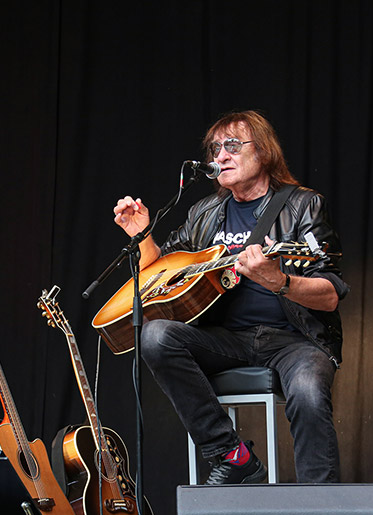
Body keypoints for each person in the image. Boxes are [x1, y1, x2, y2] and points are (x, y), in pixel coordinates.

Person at [112, 110, 347, 485]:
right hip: (227, 339)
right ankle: (232, 455)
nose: (220, 156)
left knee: (306, 390)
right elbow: (161, 269)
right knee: (155, 336)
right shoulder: (204, 212)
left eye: (233, 146)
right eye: (215, 149)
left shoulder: (304, 205)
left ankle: (319, 513)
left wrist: (280, 281)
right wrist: (141, 236)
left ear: (264, 152)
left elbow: (331, 295)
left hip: (294, 340)